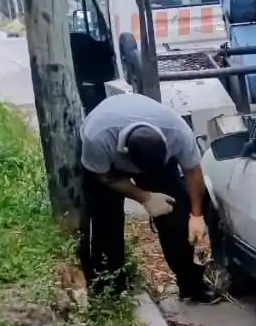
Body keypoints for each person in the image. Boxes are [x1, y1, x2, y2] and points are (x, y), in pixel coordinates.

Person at [79, 92, 219, 304]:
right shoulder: (97, 137)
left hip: (156, 162)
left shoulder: (178, 133)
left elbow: (193, 171)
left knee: (177, 219)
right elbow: (104, 177)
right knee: (106, 222)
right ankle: (110, 284)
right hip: (107, 165)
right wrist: (144, 197)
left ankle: (190, 285)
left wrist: (196, 215)